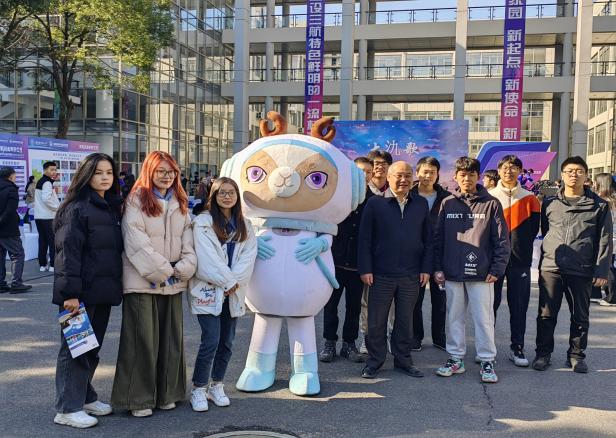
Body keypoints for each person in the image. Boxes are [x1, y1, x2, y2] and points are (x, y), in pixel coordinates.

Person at [111, 151, 197, 417]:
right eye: (161, 171)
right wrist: (165, 271)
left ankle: (167, 394)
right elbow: (136, 242)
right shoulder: (135, 200)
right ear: (149, 171)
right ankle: (138, 399)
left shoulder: (180, 201)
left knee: (171, 341)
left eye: (171, 171)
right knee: (142, 342)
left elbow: (188, 241)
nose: (166, 176)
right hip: (142, 281)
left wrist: (185, 267)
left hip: (173, 281)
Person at [52, 153, 124, 429]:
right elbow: (67, 254)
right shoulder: (76, 208)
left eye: (109, 172)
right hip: (78, 295)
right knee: (75, 349)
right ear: (86, 175)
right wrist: (70, 294)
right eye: (98, 172)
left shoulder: (109, 206)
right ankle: (67, 408)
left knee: (90, 348)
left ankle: (84, 396)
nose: (105, 177)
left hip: (101, 290)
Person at [434, 157, 510, 384]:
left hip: (482, 274)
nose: (466, 178)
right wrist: (438, 267)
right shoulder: (447, 203)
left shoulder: (491, 204)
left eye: (471, 174)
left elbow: (502, 240)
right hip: (452, 272)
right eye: (462, 174)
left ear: (478, 176)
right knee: (454, 317)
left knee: (483, 318)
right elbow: (438, 239)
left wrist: (497, 268)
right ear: (456, 177)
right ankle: (455, 358)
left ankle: (487, 360)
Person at [533, 157, 612, 373]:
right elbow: (546, 230)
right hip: (551, 267)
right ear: (562, 175)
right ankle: (543, 354)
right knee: (546, 315)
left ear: (586, 175)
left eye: (578, 171)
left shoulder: (599, 205)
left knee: (580, 315)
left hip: (581, 268)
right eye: (569, 171)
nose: (573, 175)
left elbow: (605, 239)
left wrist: (601, 270)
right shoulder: (550, 202)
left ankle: (576, 356)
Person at [358, 161, 433, 379]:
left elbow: (428, 240)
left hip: (411, 274)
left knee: (405, 320)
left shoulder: (420, 204)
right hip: (380, 273)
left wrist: (426, 268)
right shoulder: (375, 203)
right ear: (389, 177)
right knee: (376, 321)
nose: (403, 180)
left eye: (408, 175)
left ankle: (403, 360)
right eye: (399, 175)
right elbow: (365, 240)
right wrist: (366, 268)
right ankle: (375, 361)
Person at [189, 177, 257, 412]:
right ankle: (199, 388)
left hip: (233, 292)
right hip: (209, 289)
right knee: (210, 340)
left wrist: (234, 283)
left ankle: (216, 384)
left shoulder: (246, 225)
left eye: (231, 192)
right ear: (213, 196)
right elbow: (206, 259)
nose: (227, 197)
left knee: (227, 342)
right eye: (222, 193)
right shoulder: (202, 223)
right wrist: (228, 281)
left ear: (237, 196)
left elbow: (248, 257)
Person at [319, 157, 373, 363]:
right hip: (334, 262)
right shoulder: (338, 196)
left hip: (358, 265)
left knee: (354, 307)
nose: (364, 175)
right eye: (360, 171)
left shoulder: (374, 201)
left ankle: (349, 344)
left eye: (368, 172)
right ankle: (329, 342)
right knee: (330, 305)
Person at [489, 155, 540, 367]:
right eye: (505, 167)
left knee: (519, 306)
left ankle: (517, 347)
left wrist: (520, 247)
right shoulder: (489, 197)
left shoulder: (530, 198)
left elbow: (533, 230)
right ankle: (487, 349)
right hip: (493, 262)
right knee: (489, 306)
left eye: (513, 168)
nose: (509, 171)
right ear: (499, 170)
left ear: (520, 171)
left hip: (520, 261)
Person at [410, 157, 450, 351]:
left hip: (440, 255)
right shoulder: (408, 195)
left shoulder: (447, 198)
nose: (428, 176)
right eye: (424, 172)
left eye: (432, 172)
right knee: (414, 300)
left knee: (440, 299)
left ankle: (439, 337)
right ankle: (415, 337)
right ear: (417, 173)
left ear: (437, 175)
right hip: (415, 255)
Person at [359, 150, 394, 354]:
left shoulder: (395, 191)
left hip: (391, 257)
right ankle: (367, 337)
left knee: (391, 302)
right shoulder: (361, 192)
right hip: (369, 256)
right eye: (376, 163)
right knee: (367, 300)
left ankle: (387, 336)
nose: (379, 167)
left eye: (384, 164)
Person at [0, 167, 31, 294]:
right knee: (18, 254)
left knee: (1, 256)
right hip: (8, 228)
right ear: (11, 176)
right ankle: (16, 283)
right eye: (15, 175)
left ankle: (1, 284)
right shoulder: (11, 189)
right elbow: (10, 210)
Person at [591, 173, 616, 307]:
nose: (593, 184)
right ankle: (596, 293)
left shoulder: (604, 201)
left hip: (608, 237)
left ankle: (612, 296)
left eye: (595, 181)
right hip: (609, 237)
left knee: (607, 266)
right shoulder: (611, 200)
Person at [34, 161, 60, 272]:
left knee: (42, 240)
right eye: (51, 169)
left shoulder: (40, 181)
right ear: (45, 170)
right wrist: (57, 208)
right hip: (48, 217)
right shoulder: (47, 183)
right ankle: (53, 265)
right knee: (52, 241)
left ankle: (42, 265)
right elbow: (46, 199)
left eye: (55, 170)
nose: (54, 172)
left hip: (39, 216)